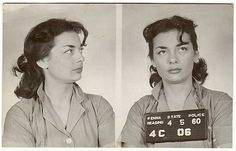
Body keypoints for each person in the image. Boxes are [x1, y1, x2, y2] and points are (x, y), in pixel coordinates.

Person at [120, 15, 232, 148]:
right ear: (153, 60)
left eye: (182, 49)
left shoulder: (220, 104)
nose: (172, 59)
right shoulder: (139, 110)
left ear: (196, 54)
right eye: (162, 51)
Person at [3, 18, 115, 147]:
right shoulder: (20, 115)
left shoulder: (100, 107)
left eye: (80, 50)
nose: (81, 58)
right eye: (68, 51)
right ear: (42, 60)